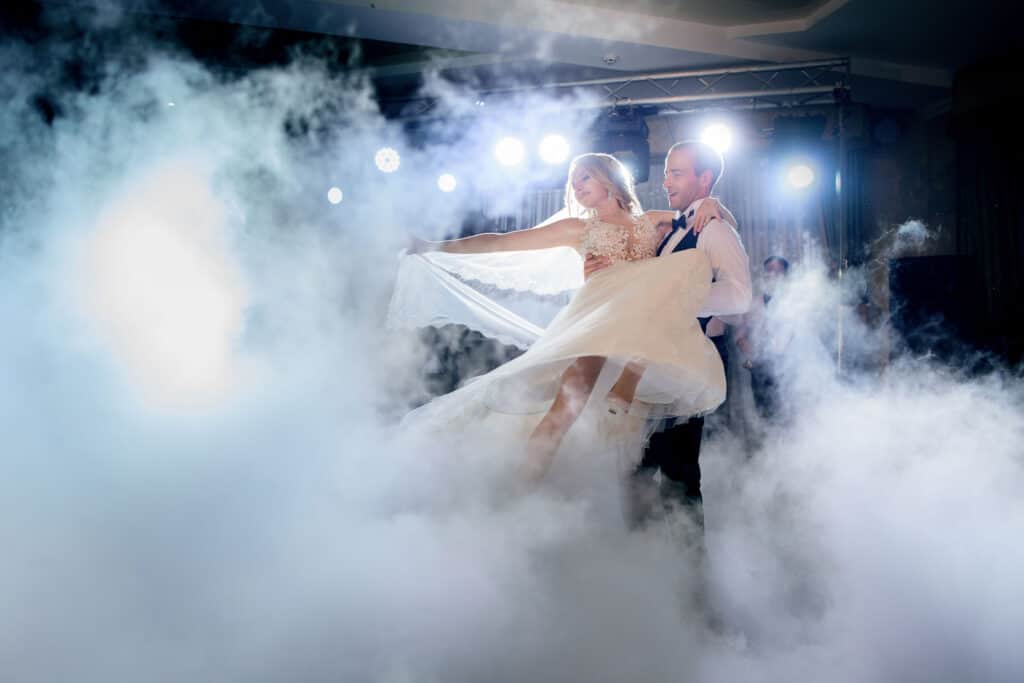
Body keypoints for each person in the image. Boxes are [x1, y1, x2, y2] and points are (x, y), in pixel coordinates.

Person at [405, 153, 736, 484]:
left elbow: (720, 226)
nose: (577, 187)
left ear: (609, 178)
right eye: (573, 182)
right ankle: (521, 488)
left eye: (584, 178)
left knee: (685, 266)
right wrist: (434, 246)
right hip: (599, 320)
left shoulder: (653, 221)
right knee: (566, 407)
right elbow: (502, 242)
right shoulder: (579, 229)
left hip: (641, 328)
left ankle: (625, 457)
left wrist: (713, 204)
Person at [586, 141, 752, 530]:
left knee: (678, 476)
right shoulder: (674, 228)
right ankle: (642, 555)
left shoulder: (714, 229)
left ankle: (687, 565)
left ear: (704, 179)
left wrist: (678, 301)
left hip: (686, 369)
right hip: (652, 368)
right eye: (666, 173)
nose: (666, 182)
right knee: (637, 471)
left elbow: (740, 296)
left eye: (677, 173)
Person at [736, 256, 791, 422]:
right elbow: (740, 337)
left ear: (786, 276)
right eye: (769, 270)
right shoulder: (753, 303)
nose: (772, 274)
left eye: (778, 271)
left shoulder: (795, 303)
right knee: (764, 413)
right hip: (760, 368)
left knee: (789, 414)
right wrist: (754, 355)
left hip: (790, 368)